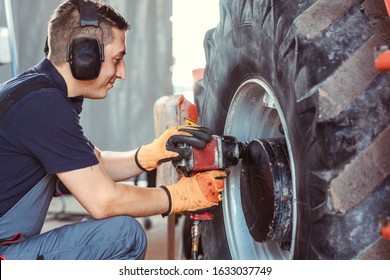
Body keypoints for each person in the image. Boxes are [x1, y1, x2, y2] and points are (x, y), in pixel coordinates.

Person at [0, 0, 226, 260]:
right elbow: (104, 201)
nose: (122, 73)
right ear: (85, 56)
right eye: (118, 59)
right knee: (123, 236)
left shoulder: (36, 92)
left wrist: (151, 154)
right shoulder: (43, 105)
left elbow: (93, 166)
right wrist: (179, 196)